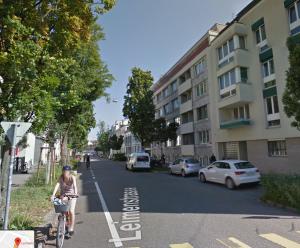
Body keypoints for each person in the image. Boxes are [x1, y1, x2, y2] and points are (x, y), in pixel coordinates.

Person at [51, 165, 78, 236]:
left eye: (66, 171)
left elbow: (75, 186)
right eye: (64, 171)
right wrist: (53, 194)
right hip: (63, 195)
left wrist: (75, 194)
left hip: (72, 196)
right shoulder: (61, 177)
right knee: (63, 210)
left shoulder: (72, 177)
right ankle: (65, 219)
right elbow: (57, 185)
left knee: (71, 211)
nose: (65, 172)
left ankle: (71, 228)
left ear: (69, 172)